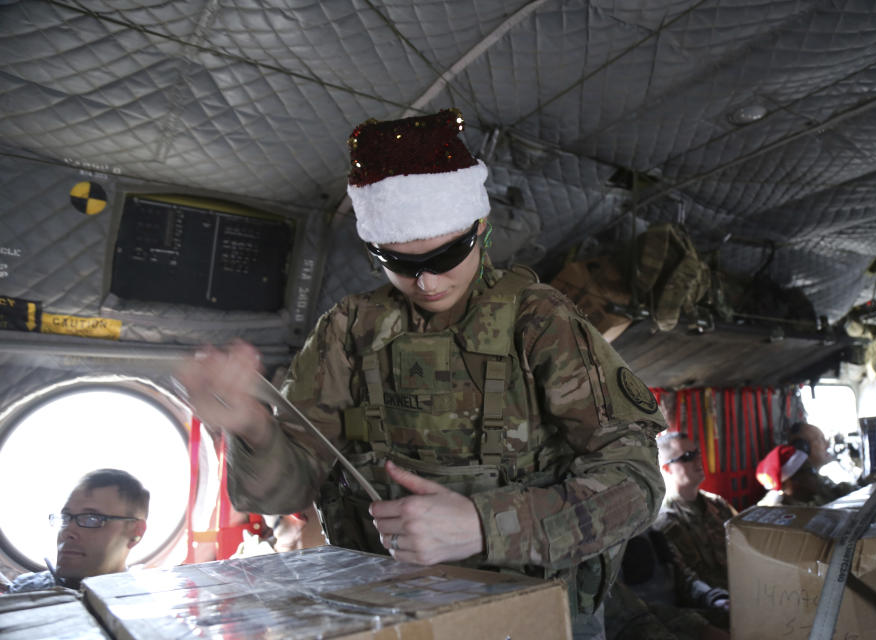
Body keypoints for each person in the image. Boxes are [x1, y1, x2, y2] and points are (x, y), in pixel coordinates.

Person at [176, 108, 667, 639]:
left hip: (532, 614)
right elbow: (280, 494)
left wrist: (484, 526)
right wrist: (254, 429)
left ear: (481, 229)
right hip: (391, 611)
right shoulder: (348, 330)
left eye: (448, 252)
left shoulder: (540, 321)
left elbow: (637, 484)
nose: (428, 282)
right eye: (400, 262)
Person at [6, 468, 149, 593]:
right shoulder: (23, 589)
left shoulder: (142, 609)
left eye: (91, 519)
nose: (67, 532)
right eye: (65, 517)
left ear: (136, 532)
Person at [651, 433, 735, 606]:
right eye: (687, 457)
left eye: (697, 453)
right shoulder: (663, 521)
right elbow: (683, 581)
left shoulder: (717, 505)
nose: (698, 460)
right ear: (667, 469)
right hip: (709, 608)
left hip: (740, 594)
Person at [784, 421, 855, 504]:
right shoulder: (800, 487)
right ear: (803, 448)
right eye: (821, 439)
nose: (827, 444)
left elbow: (837, 492)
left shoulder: (816, 479)